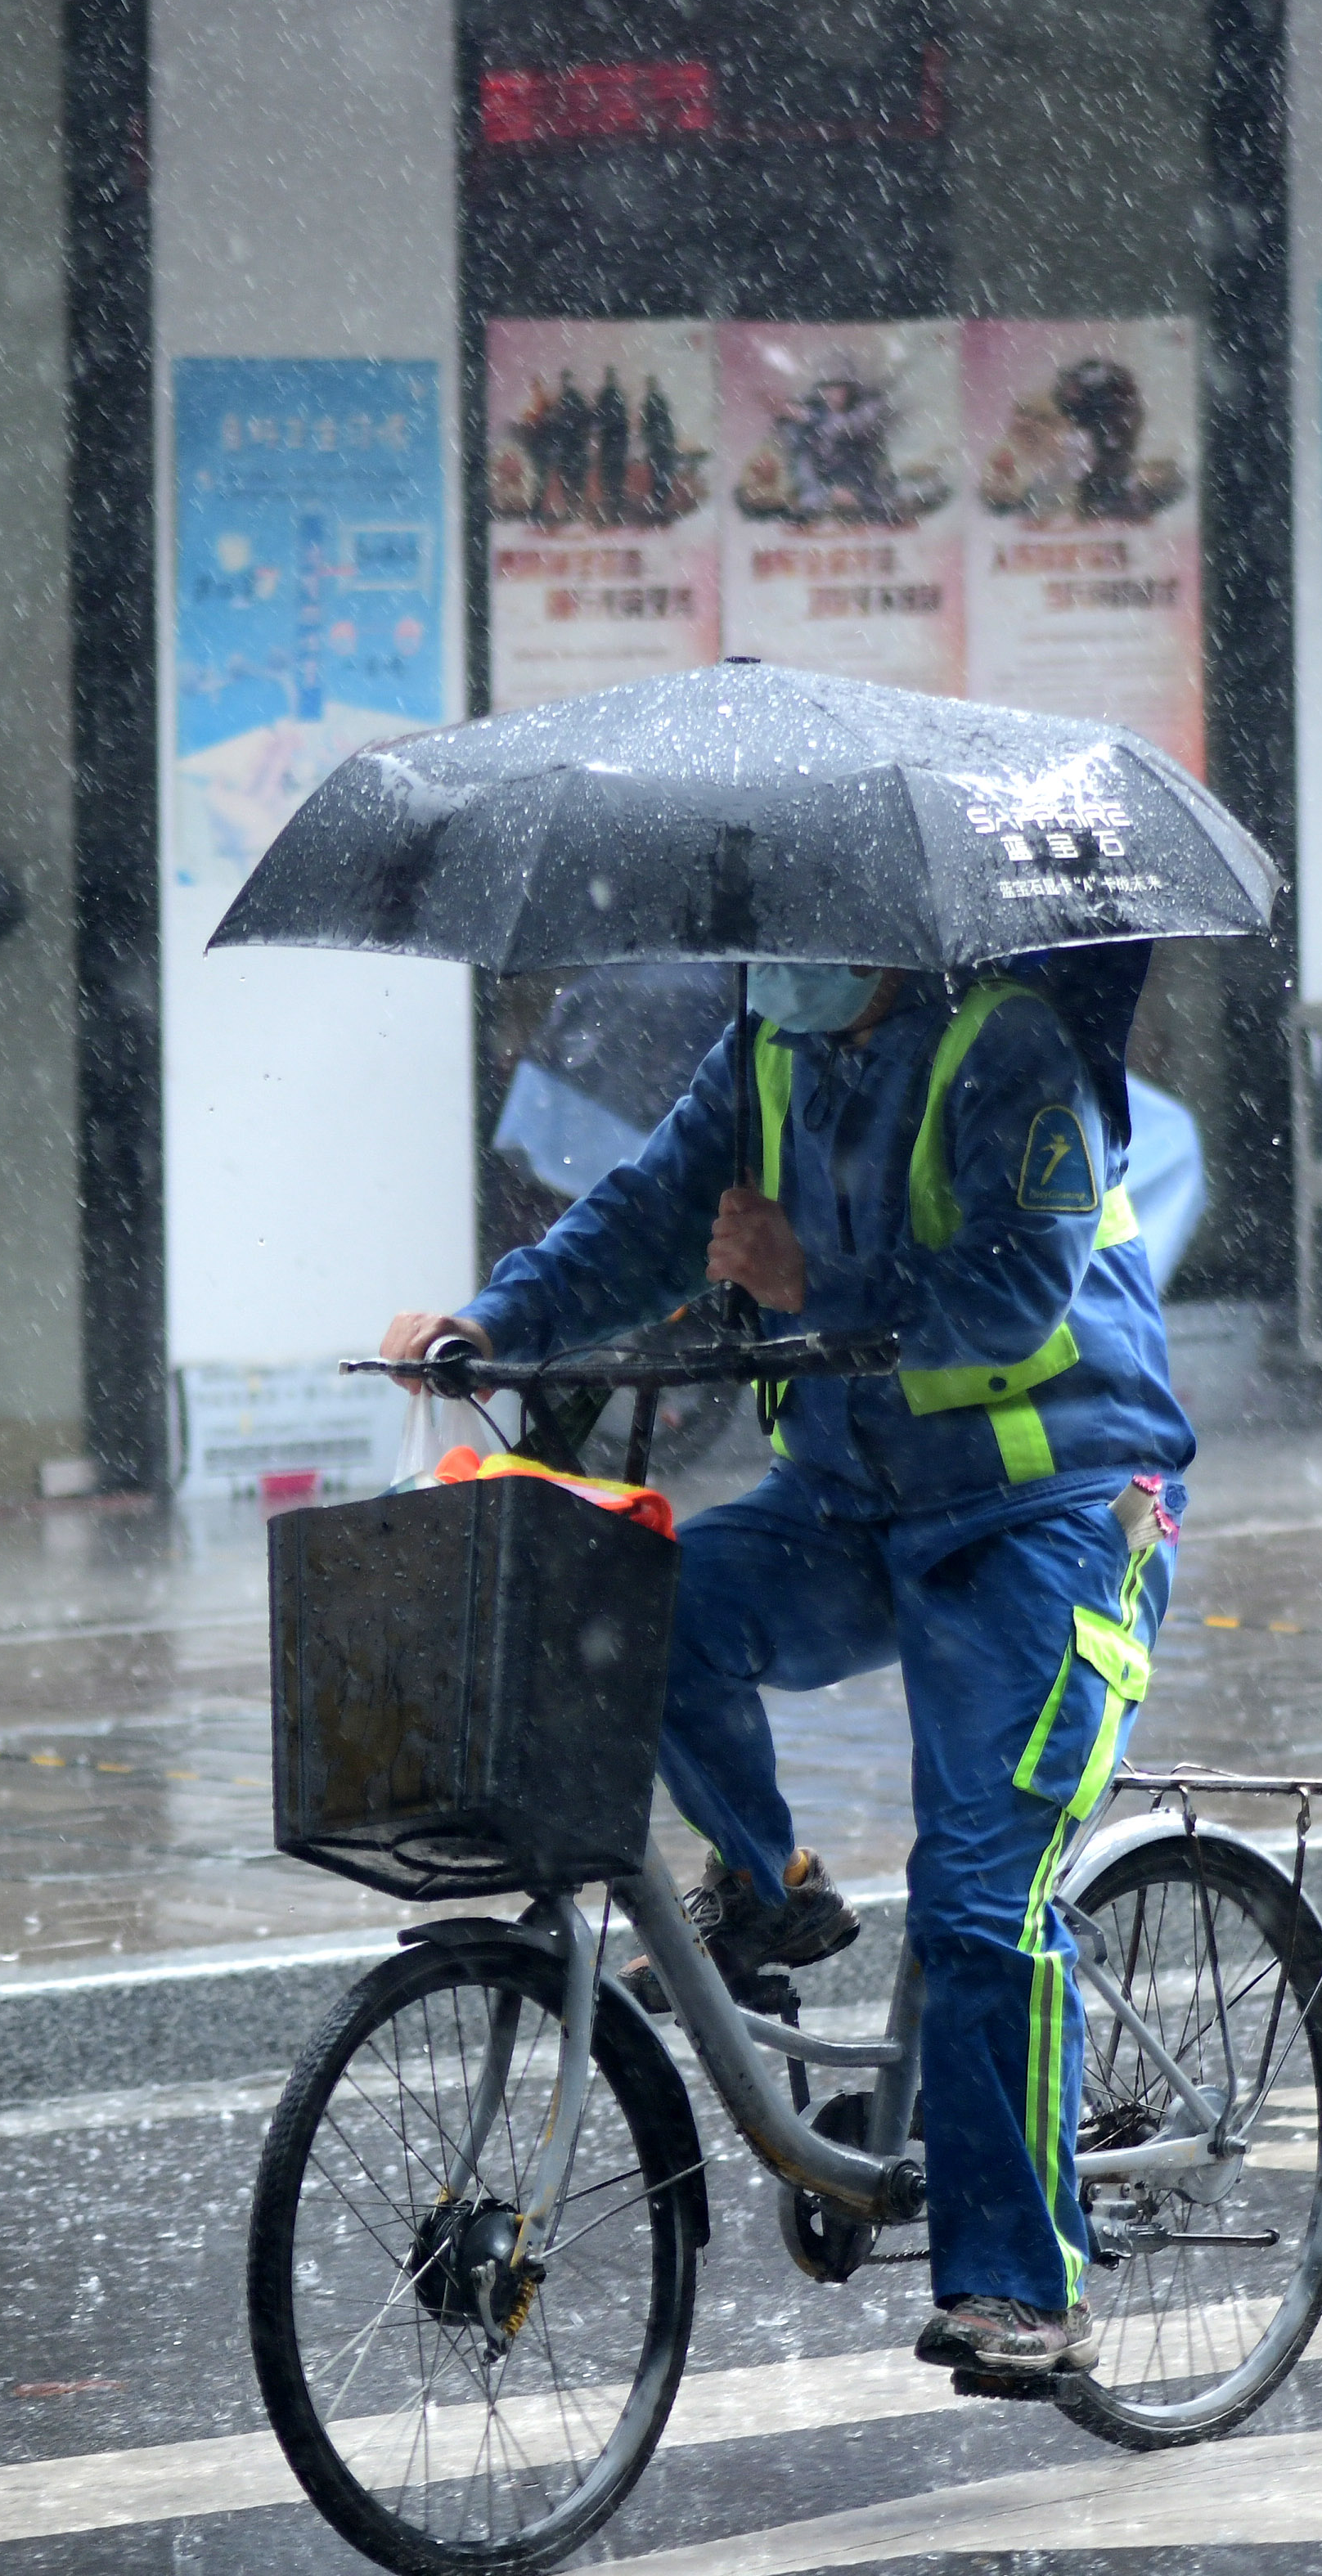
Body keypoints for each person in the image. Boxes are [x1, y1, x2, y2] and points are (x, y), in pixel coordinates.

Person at [379, 956, 1190, 2380]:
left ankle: (1021, 2288)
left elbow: (1011, 1298)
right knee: (641, 1611)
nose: (781, 956)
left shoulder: (1011, 1051)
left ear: (880, 930)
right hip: (853, 1504)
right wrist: (491, 1326)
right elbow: (648, 1215)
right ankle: (768, 1894)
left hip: (1043, 1517)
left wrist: (810, 1277)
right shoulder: (767, 1046)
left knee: (974, 1896)